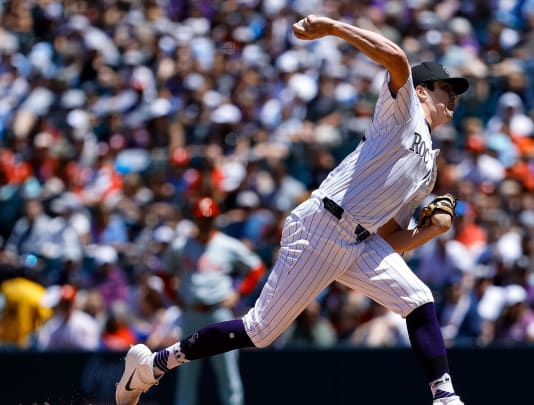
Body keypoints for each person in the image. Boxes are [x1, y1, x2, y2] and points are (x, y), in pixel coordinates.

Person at [116, 14, 468, 405]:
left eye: (455, 91)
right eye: (445, 88)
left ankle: (445, 397)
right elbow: (396, 57)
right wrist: (334, 28)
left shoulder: (428, 169)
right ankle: (155, 364)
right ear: (421, 91)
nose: (453, 96)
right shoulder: (405, 114)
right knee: (260, 331)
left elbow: (390, 239)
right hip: (322, 224)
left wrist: (429, 232)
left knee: (418, 298)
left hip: (361, 241)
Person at [164, 196, 267, 405]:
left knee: (227, 370)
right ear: (195, 219)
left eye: (209, 219)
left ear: (215, 219)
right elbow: (164, 273)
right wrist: (176, 298)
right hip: (192, 312)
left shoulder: (227, 244)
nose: (205, 222)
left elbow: (256, 268)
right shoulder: (181, 246)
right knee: (186, 371)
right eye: (202, 219)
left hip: (218, 312)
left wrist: (238, 294)